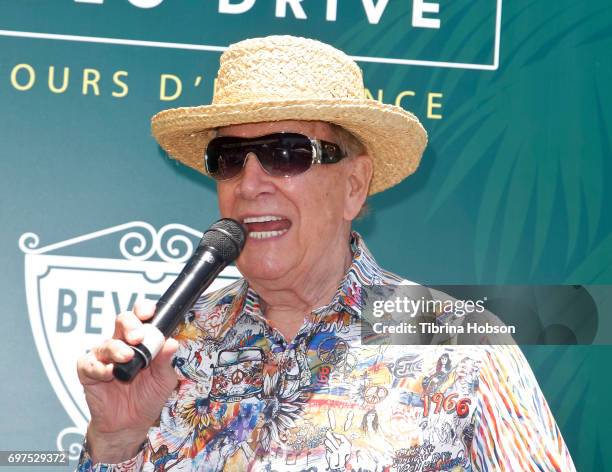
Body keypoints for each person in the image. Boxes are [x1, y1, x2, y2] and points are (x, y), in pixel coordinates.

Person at [76, 35, 575, 471]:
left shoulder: (460, 345)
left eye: (286, 153)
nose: (250, 184)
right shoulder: (167, 349)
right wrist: (116, 442)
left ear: (354, 187)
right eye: (228, 159)